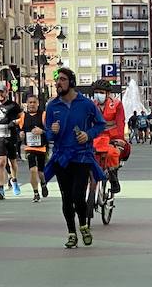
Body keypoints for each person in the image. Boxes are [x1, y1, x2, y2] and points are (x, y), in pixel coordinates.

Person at [44, 67, 105, 248]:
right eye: (57, 80)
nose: (58, 83)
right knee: (66, 197)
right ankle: (72, 233)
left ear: (71, 82)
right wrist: (51, 132)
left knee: (78, 195)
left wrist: (88, 135)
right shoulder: (52, 106)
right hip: (61, 156)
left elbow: (100, 124)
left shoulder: (86, 104)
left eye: (62, 80)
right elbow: (48, 134)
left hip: (82, 155)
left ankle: (84, 225)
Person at [88, 79, 126, 211]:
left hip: (112, 137)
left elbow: (120, 122)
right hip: (96, 137)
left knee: (112, 153)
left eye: (101, 92)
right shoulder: (91, 105)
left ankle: (113, 176)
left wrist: (120, 139)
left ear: (108, 93)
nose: (98, 94)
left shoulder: (117, 104)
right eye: (96, 92)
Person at [0, 85, 22, 199]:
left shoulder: (13, 105)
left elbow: (21, 117)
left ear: (6, 92)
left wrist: (14, 122)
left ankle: (14, 180)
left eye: (2, 92)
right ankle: (0, 188)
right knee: (1, 162)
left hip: (11, 136)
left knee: (12, 162)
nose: (0, 94)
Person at [17, 92, 49, 202]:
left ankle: (43, 183)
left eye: (34, 102)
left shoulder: (43, 115)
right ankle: (36, 193)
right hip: (29, 147)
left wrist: (42, 131)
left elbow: (50, 131)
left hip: (42, 147)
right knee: (33, 170)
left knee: (40, 172)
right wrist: (20, 133)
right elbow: (20, 129)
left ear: (38, 103)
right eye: (30, 102)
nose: (32, 104)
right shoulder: (23, 116)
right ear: (26, 104)